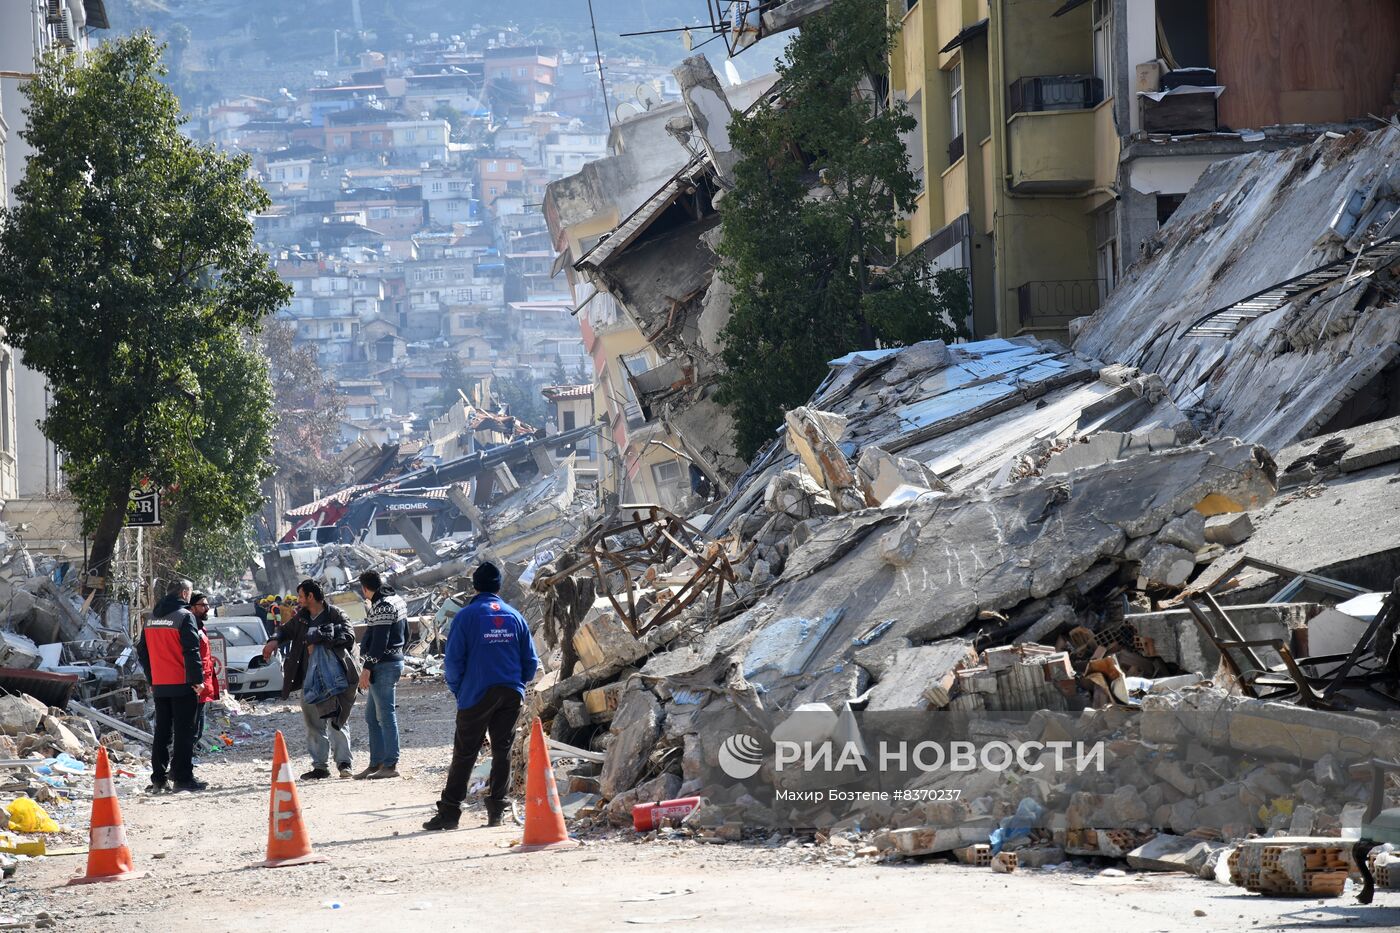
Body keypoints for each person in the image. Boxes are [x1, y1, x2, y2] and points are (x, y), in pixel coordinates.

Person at [424, 561, 538, 831]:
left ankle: (450, 814)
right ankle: (496, 810)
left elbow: (452, 663)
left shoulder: (466, 616)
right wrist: (518, 685)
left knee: (465, 754)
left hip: (476, 693)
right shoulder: (515, 616)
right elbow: (531, 663)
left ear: (475, 586)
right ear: (498, 586)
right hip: (510, 692)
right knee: (503, 751)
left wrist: (459, 691)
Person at [261, 579, 359, 779]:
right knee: (313, 725)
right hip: (309, 680)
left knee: (337, 721)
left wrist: (317, 638)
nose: (298, 600)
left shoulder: (335, 615)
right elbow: (285, 631)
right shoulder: (301, 618)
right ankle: (320, 767)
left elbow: (348, 636)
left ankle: (344, 763)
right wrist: (273, 641)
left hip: (334, 680)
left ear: (311, 597)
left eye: (301, 596)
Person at [136, 579, 207, 793]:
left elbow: (142, 651)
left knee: (162, 732)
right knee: (185, 732)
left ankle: (159, 778)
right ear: (185, 593)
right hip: (183, 683)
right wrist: (197, 681)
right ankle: (183, 779)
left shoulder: (150, 619)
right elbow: (191, 651)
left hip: (160, 684)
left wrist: (152, 678)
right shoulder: (185, 617)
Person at [354, 570, 408, 780]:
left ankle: (390, 764)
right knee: (372, 717)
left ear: (365, 588)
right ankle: (376, 762)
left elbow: (380, 641)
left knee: (385, 715)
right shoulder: (396, 599)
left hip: (384, 666)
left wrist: (367, 668)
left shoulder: (384, 606)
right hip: (389, 662)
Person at [188, 593, 220, 751]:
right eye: (202, 605)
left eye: (207, 605)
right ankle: (182, 763)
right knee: (192, 728)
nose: (207, 608)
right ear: (192, 607)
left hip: (203, 685)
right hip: (196, 685)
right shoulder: (190, 628)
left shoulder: (200, 627)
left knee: (197, 729)